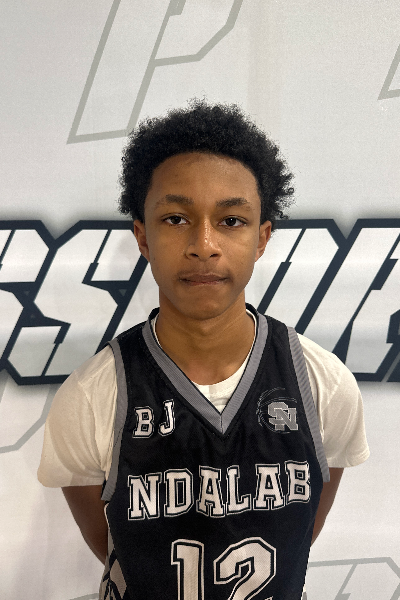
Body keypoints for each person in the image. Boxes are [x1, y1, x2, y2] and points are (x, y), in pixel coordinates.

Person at [38, 100, 369, 600]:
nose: (204, 244)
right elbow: (111, 543)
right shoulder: (92, 396)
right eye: (176, 218)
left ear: (262, 238)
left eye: (231, 220)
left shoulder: (323, 384)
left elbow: (301, 533)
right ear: (143, 236)